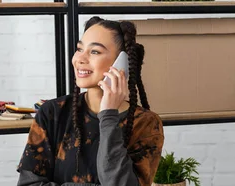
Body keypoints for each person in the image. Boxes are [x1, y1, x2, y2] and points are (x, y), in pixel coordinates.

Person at [16, 16, 165, 186]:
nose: (79, 59)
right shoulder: (53, 113)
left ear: (121, 64)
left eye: (95, 51)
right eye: (79, 49)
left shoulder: (146, 124)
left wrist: (108, 116)